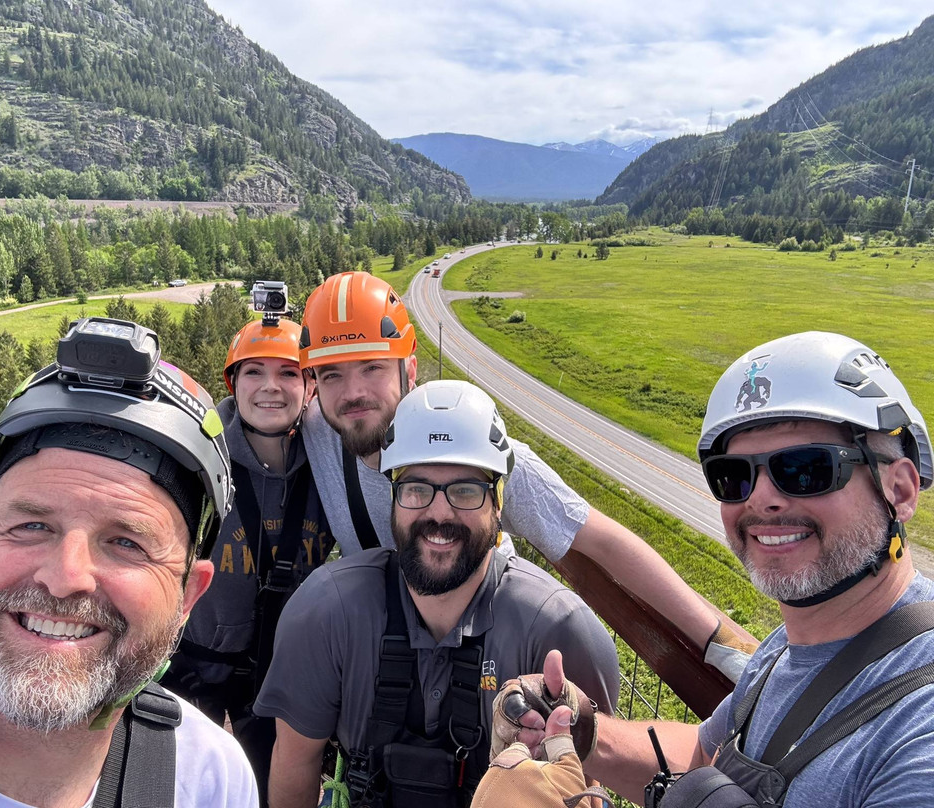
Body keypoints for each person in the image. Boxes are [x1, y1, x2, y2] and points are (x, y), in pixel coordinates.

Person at [478, 331, 934, 807]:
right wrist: (579, 726)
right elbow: (702, 756)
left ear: (899, 491)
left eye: (805, 469)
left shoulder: (918, 725)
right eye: (734, 475)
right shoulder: (786, 650)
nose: (761, 498)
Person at [0, 317, 259, 808]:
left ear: (186, 596)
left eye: (127, 542)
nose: (66, 578)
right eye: (31, 526)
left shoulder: (210, 779)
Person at [297, 270, 754, 682]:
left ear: (408, 369)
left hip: (483, 659)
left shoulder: (472, 453)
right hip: (394, 659)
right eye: (332, 374)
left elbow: (601, 540)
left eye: (372, 367)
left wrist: (717, 639)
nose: (353, 393)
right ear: (315, 383)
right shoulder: (319, 429)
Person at [254, 380, 620, 808]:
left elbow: (587, 788)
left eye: (465, 490)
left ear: (498, 504)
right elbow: (294, 766)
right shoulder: (326, 615)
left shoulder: (559, 635)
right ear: (393, 498)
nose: (439, 513)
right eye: (416, 488)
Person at [163, 315, 331, 806]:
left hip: (278, 669)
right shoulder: (195, 460)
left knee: (268, 787)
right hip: (193, 666)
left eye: (288, 372)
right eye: (254, 371)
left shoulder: (329, 465)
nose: (270, 388)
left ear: (310, 386)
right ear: (232, 383)